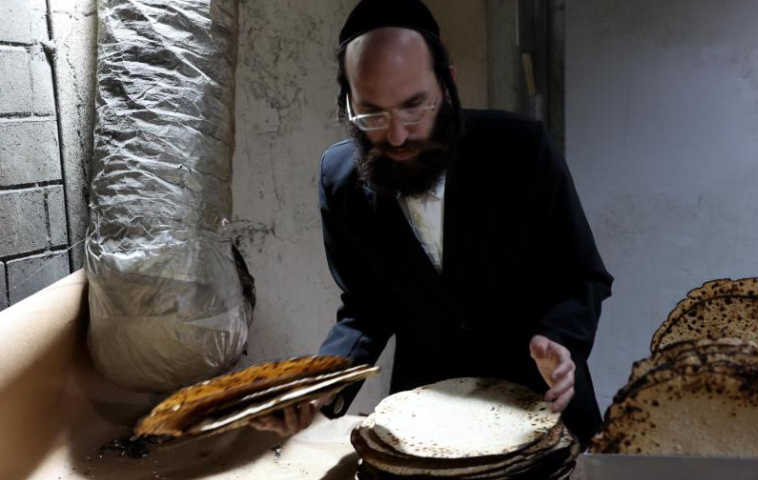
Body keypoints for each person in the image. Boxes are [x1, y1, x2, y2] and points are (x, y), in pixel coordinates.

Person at [251, 0, 613, 445]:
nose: (397, 135)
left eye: (414, 106)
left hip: (543, 407)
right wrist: (319, 385)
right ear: (347, 99)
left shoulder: (522, 149)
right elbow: (367, 307)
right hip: (425, 425)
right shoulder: (339, 177)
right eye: (372, 113)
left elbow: (582, 275)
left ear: (447, 84)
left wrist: (559, 341)